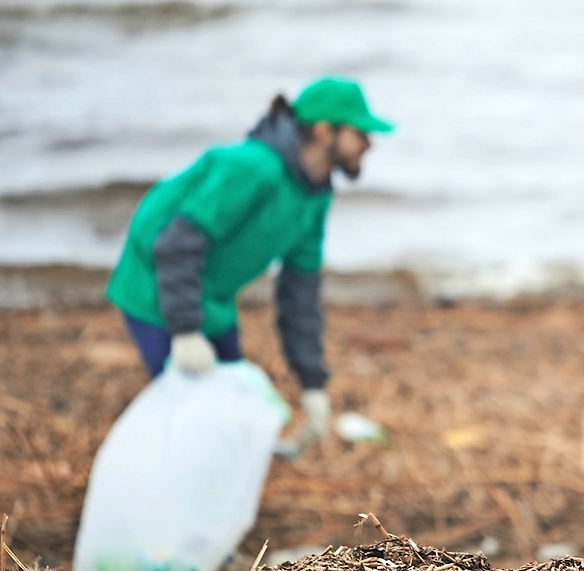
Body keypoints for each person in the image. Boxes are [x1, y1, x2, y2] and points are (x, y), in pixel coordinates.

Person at [106, 76, 396, 453]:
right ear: (325, 132)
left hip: (215, 298)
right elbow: (175, 246)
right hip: (155, 288)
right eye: (361, 133)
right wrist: (185, 329)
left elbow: (300, 293)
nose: (369, 144)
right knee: (192, 417)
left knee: (233, 410)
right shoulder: (252, 168)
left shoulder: (315, 195)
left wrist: (312, 384)